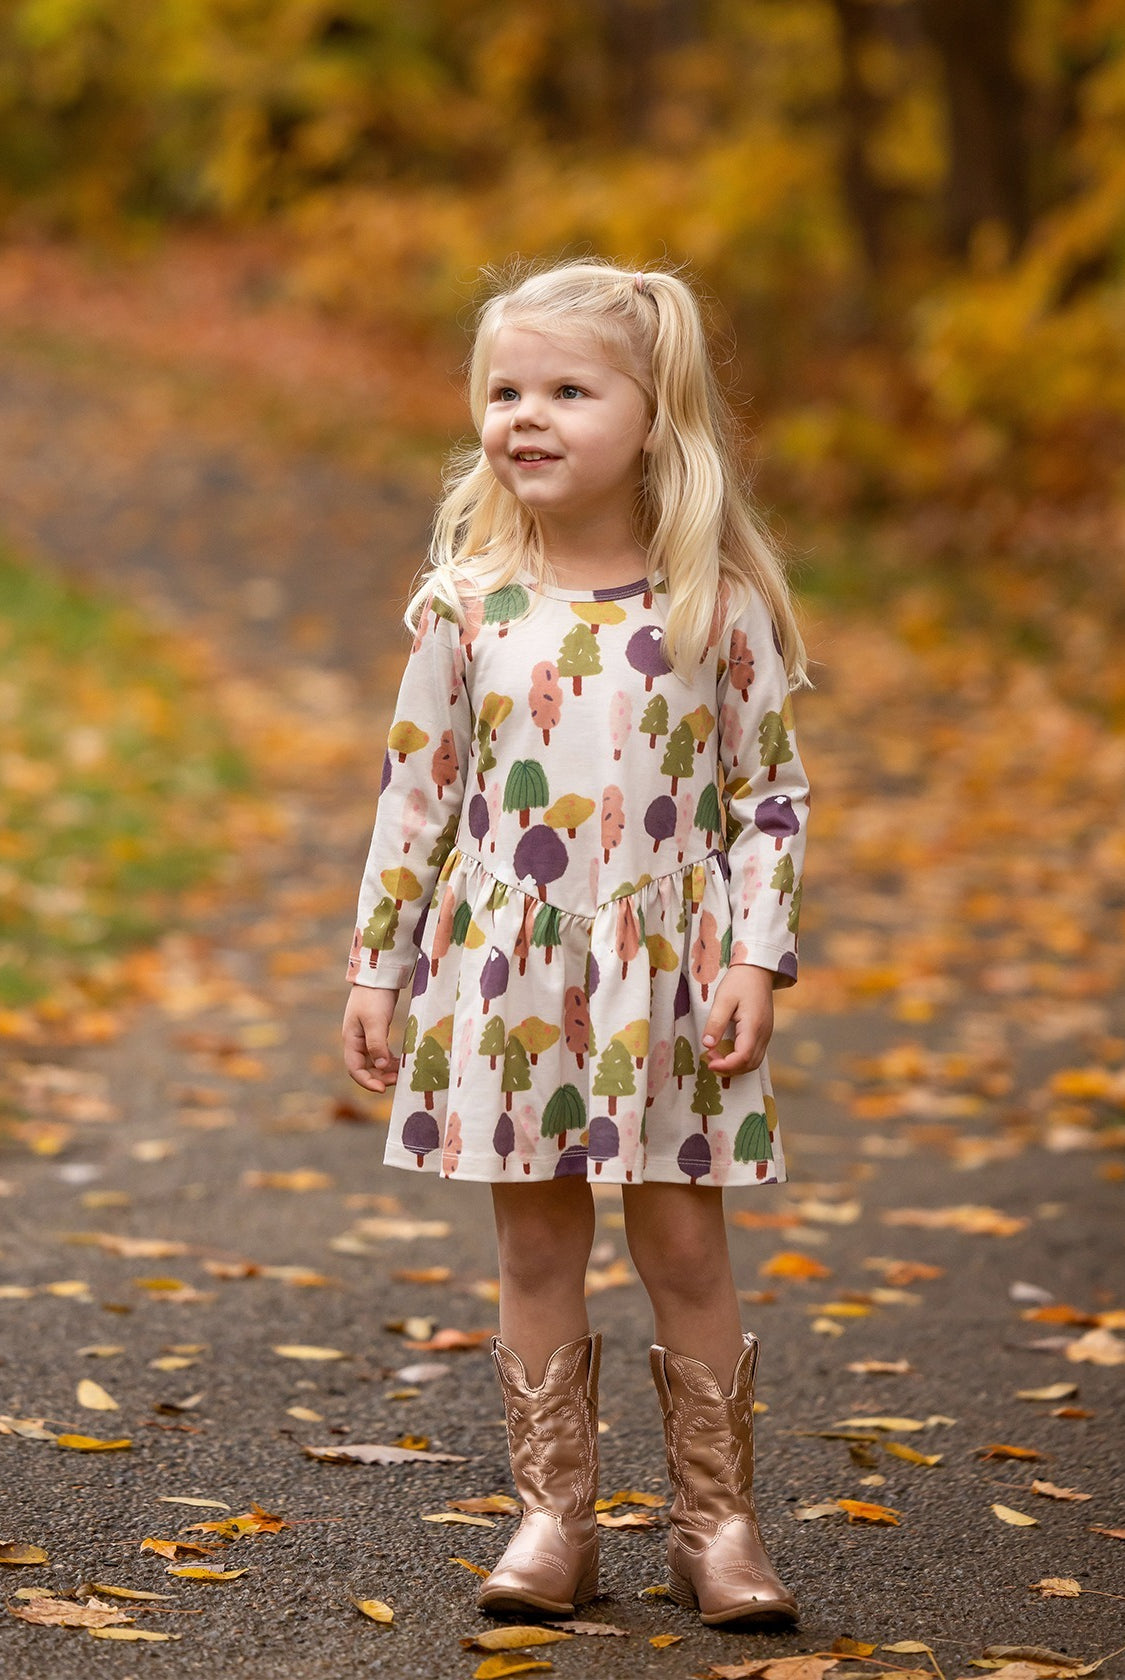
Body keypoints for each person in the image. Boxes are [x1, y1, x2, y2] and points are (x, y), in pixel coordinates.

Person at [342, 259, 811, 1629]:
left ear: (650, 418)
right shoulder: (464, 607)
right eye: (502, 390)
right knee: (536, 1252)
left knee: (684, 1247)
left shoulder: (711, 608)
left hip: (667, 981)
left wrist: (749, 959)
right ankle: (554, 1518)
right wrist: (377, 967)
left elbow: (768, 799)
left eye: (563, 389)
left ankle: (715, 1527)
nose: (522, 416)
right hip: (508, 975)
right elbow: (417, 795)